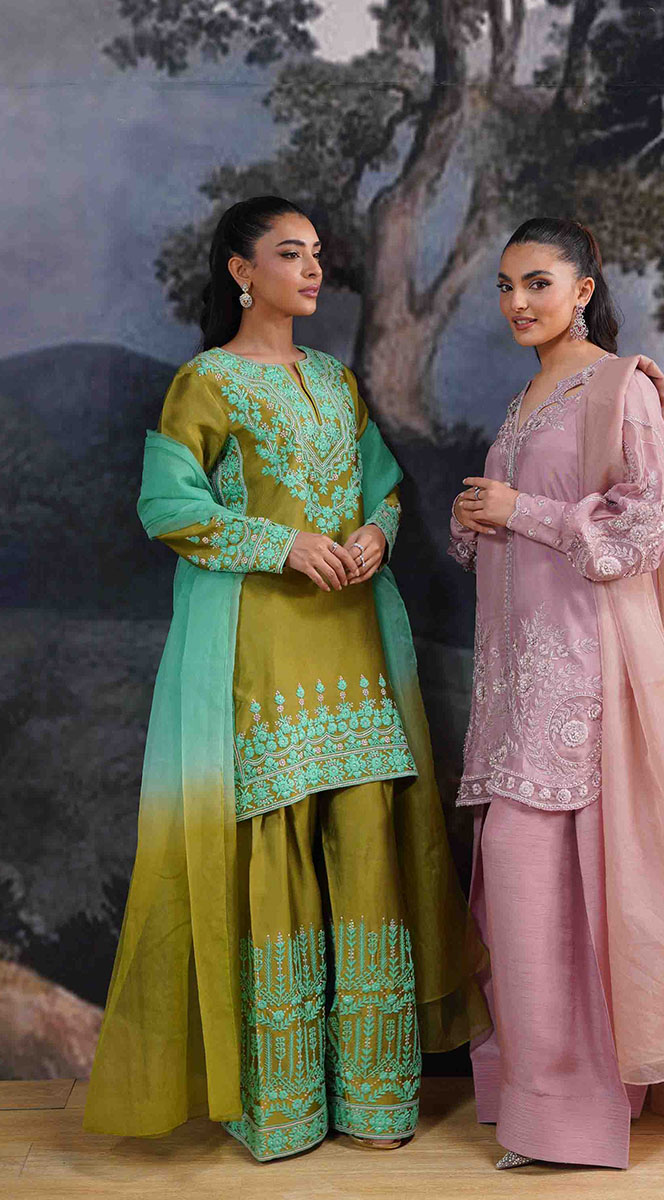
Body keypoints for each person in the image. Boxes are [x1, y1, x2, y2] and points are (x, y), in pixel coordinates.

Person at [84, 195, 487, 1162]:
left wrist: (373, 533)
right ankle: (286, 1105)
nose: (312, 269)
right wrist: (285, 544)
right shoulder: (205, 384)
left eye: (316, 254)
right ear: (240, 271)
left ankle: (376, 1100)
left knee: (366, 842)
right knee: (278, 849)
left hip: (354, 649)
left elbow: (383, 487)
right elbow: (167, 506)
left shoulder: (336, 383)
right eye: (289, 253)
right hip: (261, 651)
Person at [449, 217, 664, 1171]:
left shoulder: (621, 387)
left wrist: (521, 510)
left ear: (583, 288)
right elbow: (528, 533)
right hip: (517, 680)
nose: (516, 302)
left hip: (588, 675)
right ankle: (535, 1101)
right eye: (504, 285)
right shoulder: (526, 397)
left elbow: (642, 528)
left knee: (565, 891)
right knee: (520, 889)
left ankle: (571, 1118)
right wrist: (480, 519)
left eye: (537, 282)